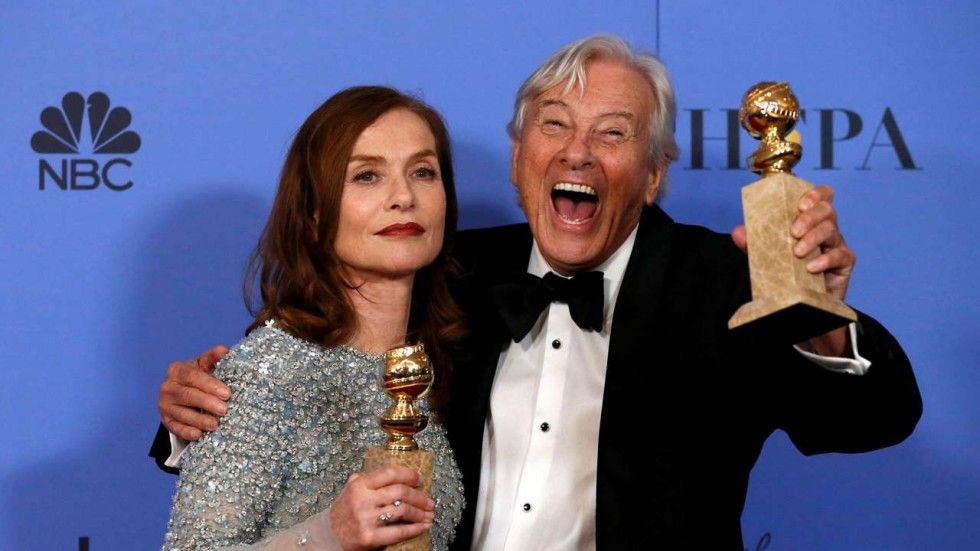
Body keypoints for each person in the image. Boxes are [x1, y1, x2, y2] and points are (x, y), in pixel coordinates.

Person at [153, 36, 921, 549]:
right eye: (554, 126)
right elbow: (312, 369)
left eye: (613, 133)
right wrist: (202, 411)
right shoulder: (447, 269)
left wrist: (821, 321)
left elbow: (875, 419)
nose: (577, 152)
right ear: (520, 157)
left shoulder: (721, 279)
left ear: (653, 175)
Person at [159, 86, 465, 550]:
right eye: (366, 176)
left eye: (423, 171)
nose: (403, 196)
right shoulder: (270, 372)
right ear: (313, 213)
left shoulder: (437, 365)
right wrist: (328, 534)